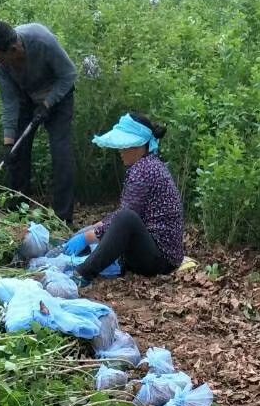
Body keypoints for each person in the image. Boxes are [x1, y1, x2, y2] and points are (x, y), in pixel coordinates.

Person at [0, 20, 76, 225]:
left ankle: (63, 218)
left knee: (61, 152)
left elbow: (69, 74)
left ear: (14, 49)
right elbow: (9, 102)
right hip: (26, 97)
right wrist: (8, 142)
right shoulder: (1, 64)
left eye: (1, 58)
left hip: (58, 96)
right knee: (17, 152)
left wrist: (48, 103)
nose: (0, 63)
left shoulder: (42, 41)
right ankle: (18, 210)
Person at [75, 113, 184, 284]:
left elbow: (126, 217)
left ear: (140, 146)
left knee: (124, 218)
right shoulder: (149, 164)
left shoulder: (143, 170)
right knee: (107, 224)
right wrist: (96, 227)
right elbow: (127, 212)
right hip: (160, 255)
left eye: (125, 146)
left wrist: (88, 237)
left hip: (159, 259)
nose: (121, 151)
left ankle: (83, 274)